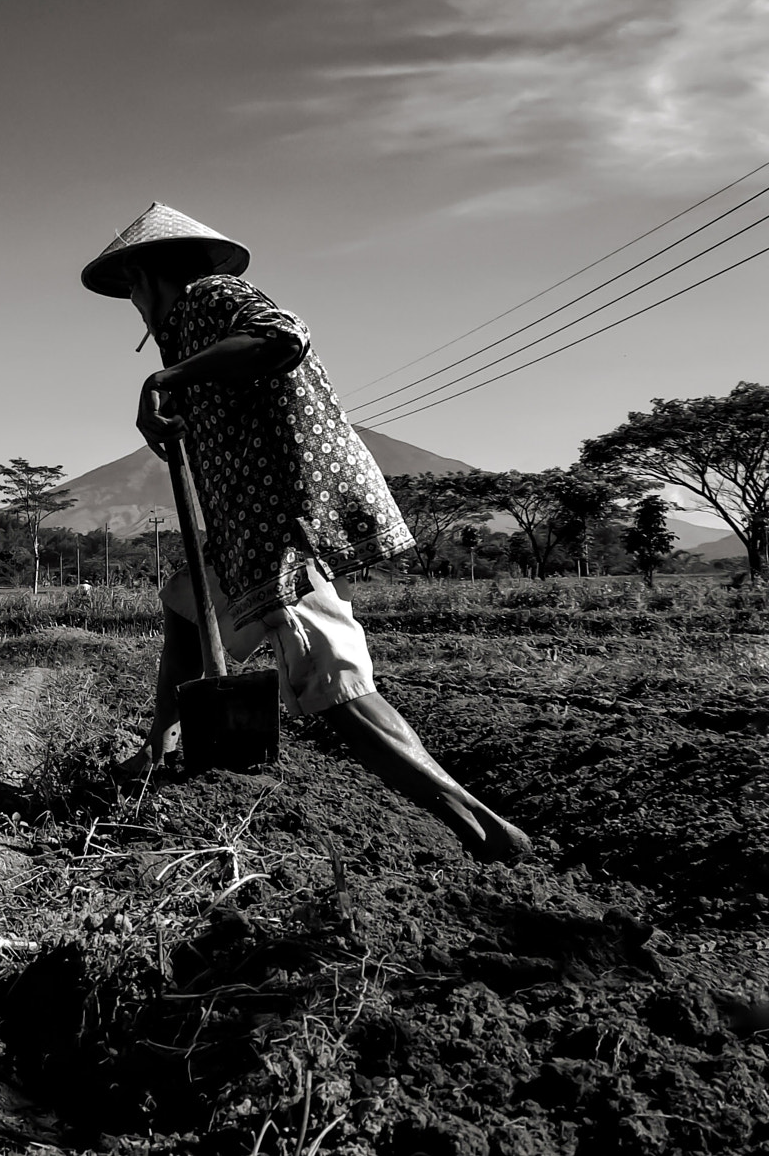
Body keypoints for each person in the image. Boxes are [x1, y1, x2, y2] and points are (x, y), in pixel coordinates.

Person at [82, 202, 531, 863]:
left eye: (132, 291)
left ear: (148, 277)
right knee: (184, 598)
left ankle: (486, 827)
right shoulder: (193, 333)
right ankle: (158, 751)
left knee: (337, 691)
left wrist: (165, 377)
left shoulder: (210, 298)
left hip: (282, 535)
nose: (135, 308)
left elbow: (283, 334)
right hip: (246, 543)